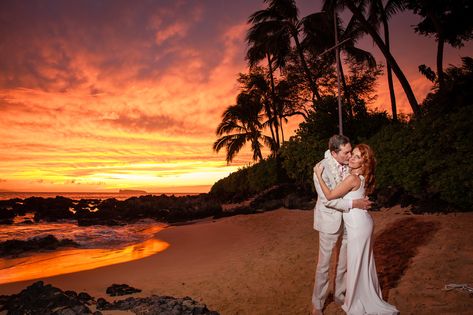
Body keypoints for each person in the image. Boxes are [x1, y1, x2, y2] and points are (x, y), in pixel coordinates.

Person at [315, 144, 399, 315]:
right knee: (361, 263)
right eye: (350, 154)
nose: (350, 158)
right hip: (360, 222)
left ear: (364, 162)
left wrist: (318, 174)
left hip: (357, 225)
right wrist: (356, 201)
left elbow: (330, 196)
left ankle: (356, 299)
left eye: (356, 156)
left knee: (355, 264)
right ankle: (360, 296)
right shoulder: (359, 175)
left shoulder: (353, 177)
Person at [312, 135, 372, 315]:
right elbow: (327, 201)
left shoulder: (349, 164)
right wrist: (354, 203)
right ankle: (317, 303)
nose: (349, 156)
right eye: (346, 153)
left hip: (350, 222)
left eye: (350, 151)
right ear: (334, 153)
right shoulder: (320, 169)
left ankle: (339, 293)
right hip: (329, 221)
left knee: (344, 262)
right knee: (323, 265)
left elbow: (355, 185)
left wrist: (360, 197)